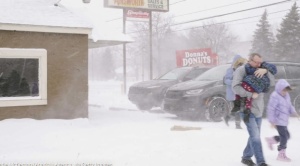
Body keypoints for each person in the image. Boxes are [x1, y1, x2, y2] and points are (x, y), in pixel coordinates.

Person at [232, 53, 276, 166]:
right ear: (249, 60)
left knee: (254, 136)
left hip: (258, 109)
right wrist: (250, 94)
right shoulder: (241, 70)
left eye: (260, 62)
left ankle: (246, 157)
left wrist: (266, 71)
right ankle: (261, 162)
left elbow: (272, 83)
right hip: (246, 108)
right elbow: (235, 87)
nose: (258, 64)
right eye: (256, 62)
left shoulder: (262, 69)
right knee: (255, 137)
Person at [265, 79, 299, 162]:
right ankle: (281, 154)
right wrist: (272, 121)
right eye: (283, 90)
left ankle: (272, 140)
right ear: (279, 88)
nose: (285, 92)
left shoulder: (286, 96)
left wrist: (294, 113)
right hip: (278, 121)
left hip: (284, 121)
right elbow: (271, 109)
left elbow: (289, 106)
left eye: (286, 90)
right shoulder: (275, 96)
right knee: (284, 137)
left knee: (287, 136)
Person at [223, 55, 247, 129]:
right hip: (232, 93)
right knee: (237, 109)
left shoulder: (242, 70)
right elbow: (226, 80)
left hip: (239, 92)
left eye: (241, 63)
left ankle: (228, 117)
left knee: (238, 108)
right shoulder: (230, 70)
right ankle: (237, 124)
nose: (240, 64)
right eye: (239, 62)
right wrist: (234, 82)